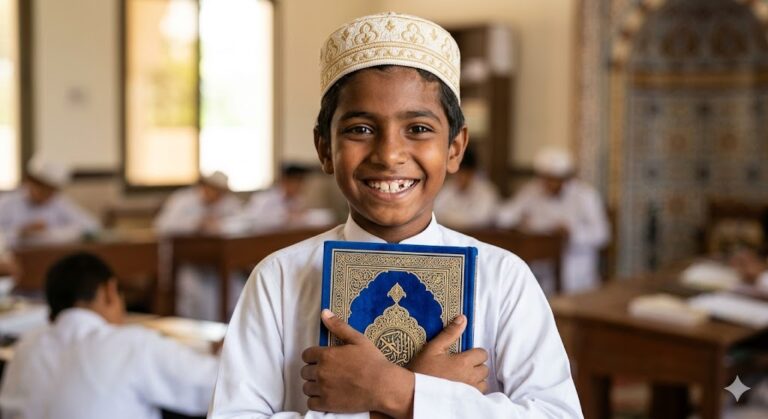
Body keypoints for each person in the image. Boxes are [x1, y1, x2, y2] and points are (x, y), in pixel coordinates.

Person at [209, 12, 581, 418]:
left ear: (455, 149)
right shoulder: (280, 278)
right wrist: (413, 399)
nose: (388, 155)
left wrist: (399, 393)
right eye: (361, 129)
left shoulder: (503, 277)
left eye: (418, 129)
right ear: (325, 149)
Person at [0, 252, 218, 419]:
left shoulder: (26, 346)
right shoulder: (129, 344)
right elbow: (216, 386)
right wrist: (224, 352)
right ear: (109, 291)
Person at [496, 146, 610, 293]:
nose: (549, 184)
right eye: (546, 178)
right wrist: (517, 221)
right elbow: (504, 215)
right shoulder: (532, 190)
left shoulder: (585, 195)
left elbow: (602, 234)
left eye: (555, 179)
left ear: (566, 178)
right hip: (539, 266)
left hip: (576, 269)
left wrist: (571, 232)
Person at [154, 171, 244, 320]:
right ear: (205, 187)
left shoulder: (226, 202)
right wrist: (196, 223)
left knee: (237, 287)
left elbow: (242, 221)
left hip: (216, 265)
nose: (217, 196)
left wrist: (220, 225)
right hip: (186, 264)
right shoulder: (182, 200)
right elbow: (162, 226)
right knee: (194, 294)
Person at [0, 157, 98, 247]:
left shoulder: (59, 202)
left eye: (51, 191)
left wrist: (53, 233)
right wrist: (20, 233)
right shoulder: (7, 203)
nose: (48, 195)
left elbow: (91, 227)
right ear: (30, 182)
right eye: (43, 189)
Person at [230, 164, 334, 232]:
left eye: (302, 183)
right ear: (285, 181)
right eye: (297, 182)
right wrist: (285, 217)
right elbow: (254, 222)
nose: (301, 187)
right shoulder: (265, 198)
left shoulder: (297, 199)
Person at [434, 146, 500, 229]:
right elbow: (436, 213)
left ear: (472, 172)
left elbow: (481, 220)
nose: (460, 177)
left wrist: (450, 218)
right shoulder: (447, 189)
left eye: (464, 173)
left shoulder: (486, 192)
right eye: (457, 173)